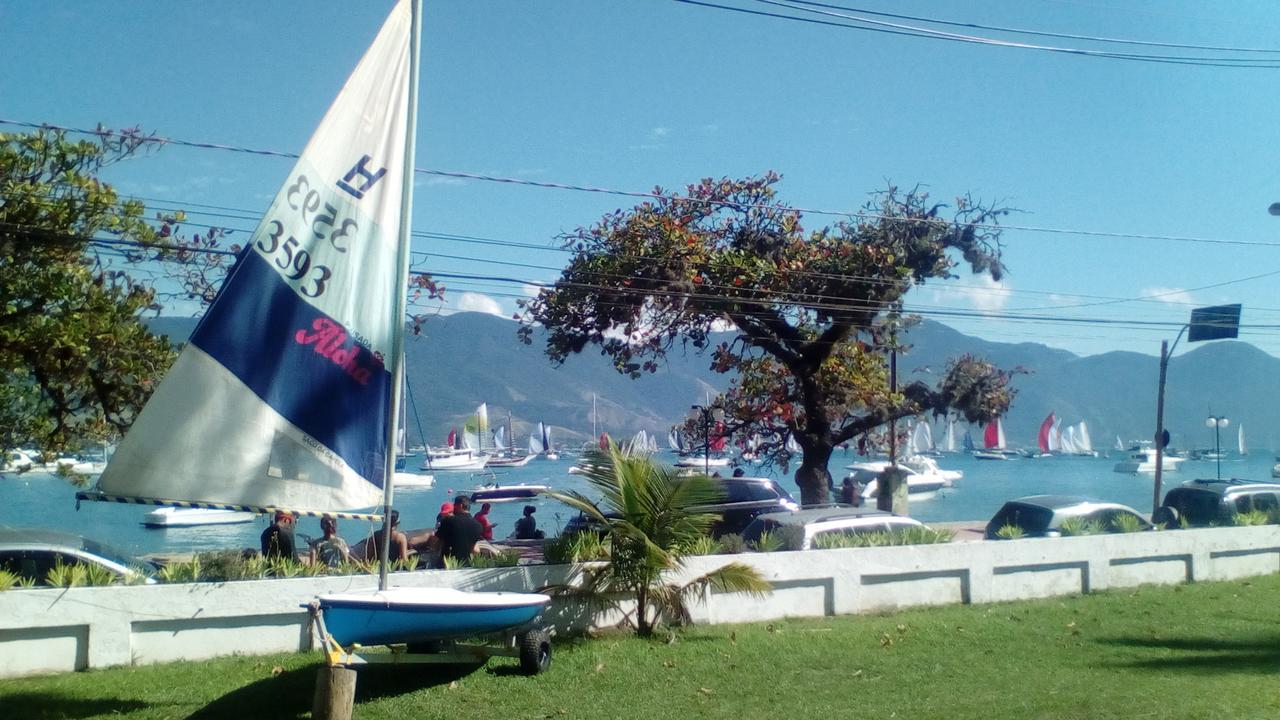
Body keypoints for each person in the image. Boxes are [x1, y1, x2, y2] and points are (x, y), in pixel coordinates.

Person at [435, 496, 484, 566]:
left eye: (454, 505)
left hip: (447, 564)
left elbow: (438, 542)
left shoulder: (448, 521)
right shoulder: (478, 525)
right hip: (466, 565)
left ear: (460, 505)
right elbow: (475, 550)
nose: (453, 508)